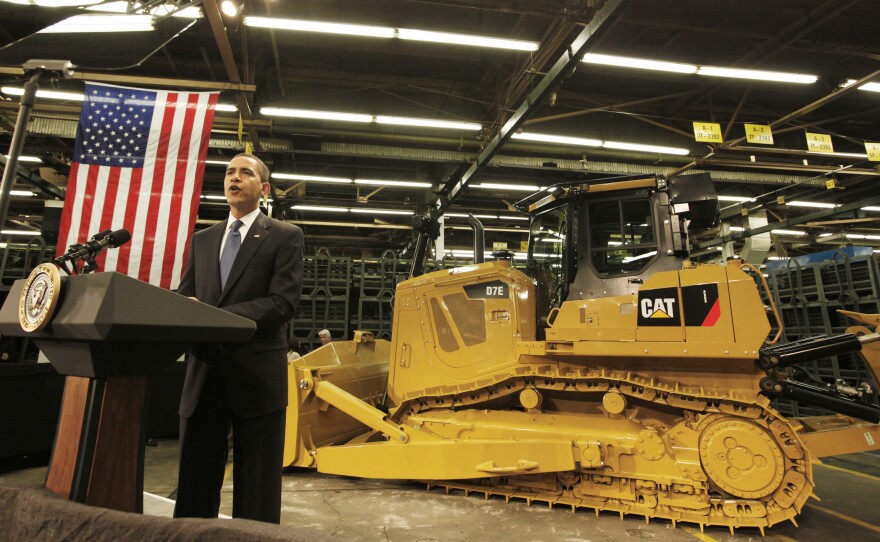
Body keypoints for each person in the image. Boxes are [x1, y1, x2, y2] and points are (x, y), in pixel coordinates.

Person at [173, 153, 303, 524]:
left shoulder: (284, 236)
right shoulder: (203, 239)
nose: (234, 177)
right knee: (195, 477)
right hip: (205, 371)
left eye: (245, 173)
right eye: (229, 172)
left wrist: (215, 317)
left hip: (257, 371)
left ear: (263, 189)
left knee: (257, 482)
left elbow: (283, 302)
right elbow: (186, 297)